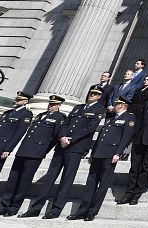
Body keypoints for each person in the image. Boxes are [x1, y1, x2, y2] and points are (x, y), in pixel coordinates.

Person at [21, 86, 105, 219]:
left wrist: (71, 139)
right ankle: (36, 208)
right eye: (91, 93)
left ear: (99, 97)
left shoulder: (99, 110)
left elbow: (90, 129)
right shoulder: (78, 107)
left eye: (95, 94)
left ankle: (56, 209)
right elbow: (65, 124)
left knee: (66, 180)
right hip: (62, 146)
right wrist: (62, 137)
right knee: (50, 177)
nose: (92, 95)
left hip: (76, 148)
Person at [0, 95, 66, 217]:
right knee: (13, 179)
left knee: (24, 181)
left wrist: (44, 150)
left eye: (53, 104)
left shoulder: (60, 117)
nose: (50, 106)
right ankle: (3, 206)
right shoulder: (41, 115)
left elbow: (56, 137)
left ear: (59, 105)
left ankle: (14, 207)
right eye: (50, 104)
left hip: (36, 153)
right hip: (24, 149)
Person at [67, 96, 135, 221]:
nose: (114, 106)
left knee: (103, 185)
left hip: (110, 155)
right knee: (90, 183)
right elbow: (101, 137)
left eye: (116, 104)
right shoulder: (112, 118)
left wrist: (118, 153)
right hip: (98, 154)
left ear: (122, 105)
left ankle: (92, 211)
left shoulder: (129, 118)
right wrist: (93, 153)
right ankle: (82, 211)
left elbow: (126, 138)